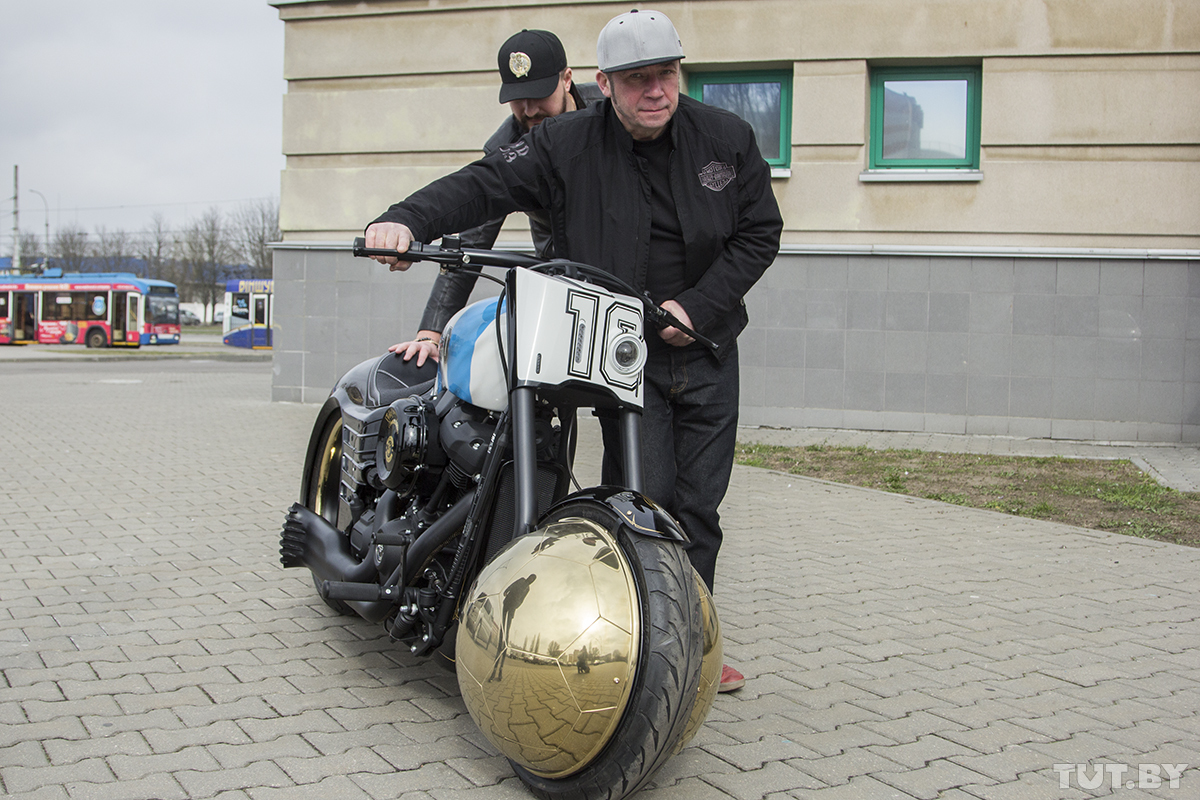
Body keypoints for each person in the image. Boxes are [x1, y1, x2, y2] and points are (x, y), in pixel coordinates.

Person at [365, 9, 783, 692]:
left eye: (667, 74)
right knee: (645, 502)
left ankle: (692, 645)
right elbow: (483, 184)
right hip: (623, 357)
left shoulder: (726, 138)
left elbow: (759, 234)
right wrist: (404, 219)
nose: (656, 90)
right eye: (638, 79)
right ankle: (642, 650)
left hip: (707, 350)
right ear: (604, 84)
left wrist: (696, 308)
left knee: (702, 508)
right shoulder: (564, 144)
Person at [390, 28, 603, 368]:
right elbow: (470, 245)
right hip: (561, 273)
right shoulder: (505, 148)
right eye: (518, 98)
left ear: (566, 79)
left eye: (539, 94)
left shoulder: (608, 113)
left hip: (626, 265)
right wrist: (430, 334)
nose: (530, 109)